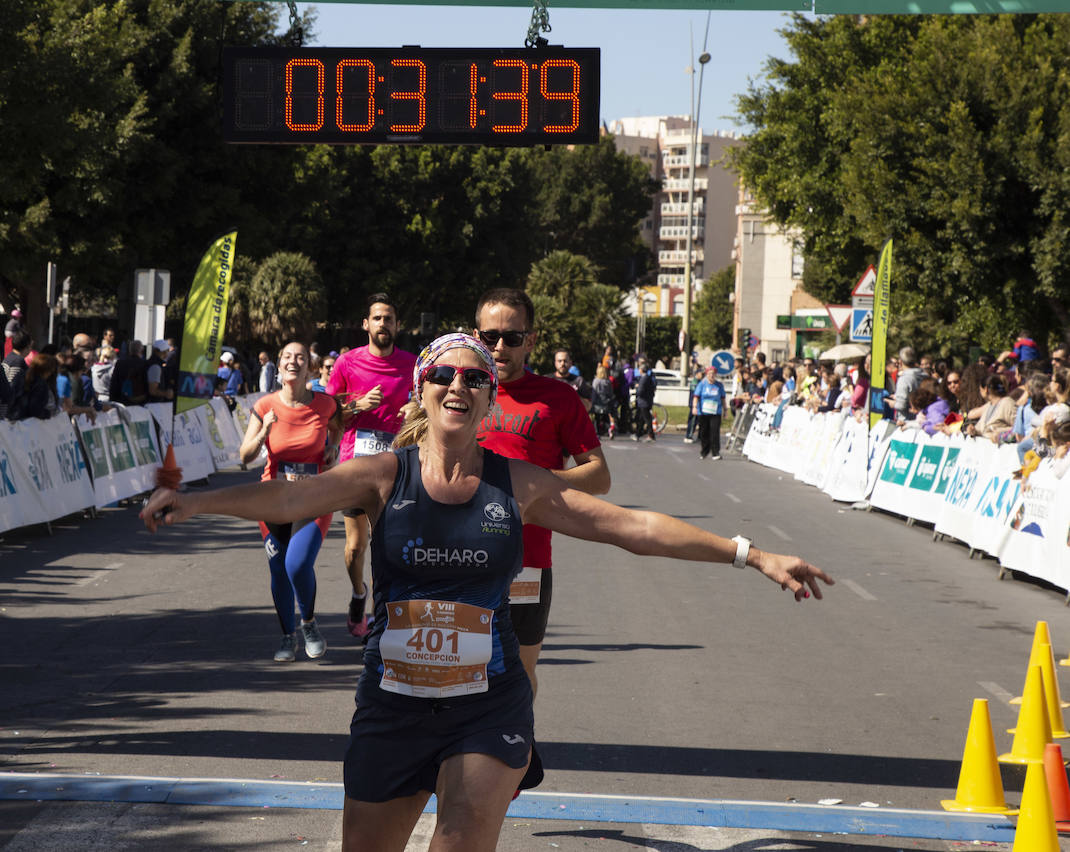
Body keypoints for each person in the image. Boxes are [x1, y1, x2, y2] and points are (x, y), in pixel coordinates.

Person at [139, 332, 831, 852]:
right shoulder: (383, 475)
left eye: (475, 376)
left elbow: (634, 528)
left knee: (464, 839)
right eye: (442, 374)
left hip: (487, 702)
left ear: (489, 396)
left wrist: (752, 553)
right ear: (422, 390)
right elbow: (289, 497)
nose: (458, 384)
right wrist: (196, 505)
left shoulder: (517, 484)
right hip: (393, 702)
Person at [471, 288, 607, 695]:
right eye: (489, 336)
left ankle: (518, 753)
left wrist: (537, 482)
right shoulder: (455, 391)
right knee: (455, 676)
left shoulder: (558, 398)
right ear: (474, 335)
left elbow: (599, 476)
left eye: (512, 338)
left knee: (518, 676)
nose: (499, 347)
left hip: (525, 564)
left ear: (530, 341)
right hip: (453, 558)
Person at [236, 342, 342, 662]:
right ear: (279, 367)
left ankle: (308, 624)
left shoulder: (326, 404)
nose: (293, 361)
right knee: (278, 570)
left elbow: (338, 426)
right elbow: (245, 456)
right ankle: (287, 637)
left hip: (314, 497)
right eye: (286, 357)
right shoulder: (265, 405)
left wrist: (333, 448)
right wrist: (264, 431)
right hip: (272, 499)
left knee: (297, 564)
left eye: (300, 357)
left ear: (309, 368)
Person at [326, 294, 417, 641]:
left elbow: (428, 405)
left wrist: (415, 410)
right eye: (377, 318)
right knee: (355, 547)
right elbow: (329, 413)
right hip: (356, 467)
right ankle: (358, 593)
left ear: (397, 325)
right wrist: (356, 405)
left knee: (388, 546)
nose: (383, 324)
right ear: (366, 324)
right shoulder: (348, 363)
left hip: (396, 468)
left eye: (389, 319)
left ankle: (383, 617)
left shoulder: (411, 364)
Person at [692, 365, 727, 460]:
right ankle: (704, 451)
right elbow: (696, 396)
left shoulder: (719, 385)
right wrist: (694, 407)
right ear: (707, 374)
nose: (711, 376)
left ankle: (715, 452)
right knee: (704, 432)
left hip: (715, 412)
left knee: (715, 432)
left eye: (713, 374)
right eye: (709, 374)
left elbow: (723, 398)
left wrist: (725, 410)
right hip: (703, 412)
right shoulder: (702, 384)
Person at [633, 358, 657, 441]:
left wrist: (637, 392)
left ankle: (651, 435)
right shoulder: (647, 378)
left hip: (644, 401)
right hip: (646, 401)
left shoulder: (644, 378)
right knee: (641, 418)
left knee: (647, 418)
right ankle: (638, 434)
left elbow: (641, 390)